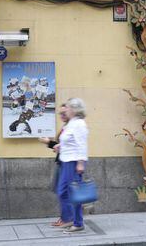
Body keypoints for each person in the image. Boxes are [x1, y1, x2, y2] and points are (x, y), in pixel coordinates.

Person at [54, 98, 88, 233]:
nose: (65, 110)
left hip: (73, 163)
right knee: (62, 192)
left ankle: (78, 222)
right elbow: (70, 141)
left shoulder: (79, 124)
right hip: (66, 161)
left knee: (74, 194)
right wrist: (59, 146)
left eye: (67, 107)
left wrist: (80, 163)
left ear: (74, 109)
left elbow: (81, 144)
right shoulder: (71, 124)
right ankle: (69, 219)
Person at [38, 103, 69, 227]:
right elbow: (60, 145)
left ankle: (67, 218)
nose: (61, 115)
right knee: (60, 190)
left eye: (64, 113)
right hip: (60, 161)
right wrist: (51, 143)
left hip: (66, 162)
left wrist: (49, 142)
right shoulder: (65, 126)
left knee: (63, 191)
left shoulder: (71, 127)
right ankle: (65, 217)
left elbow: (66, 146)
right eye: (60, 113)